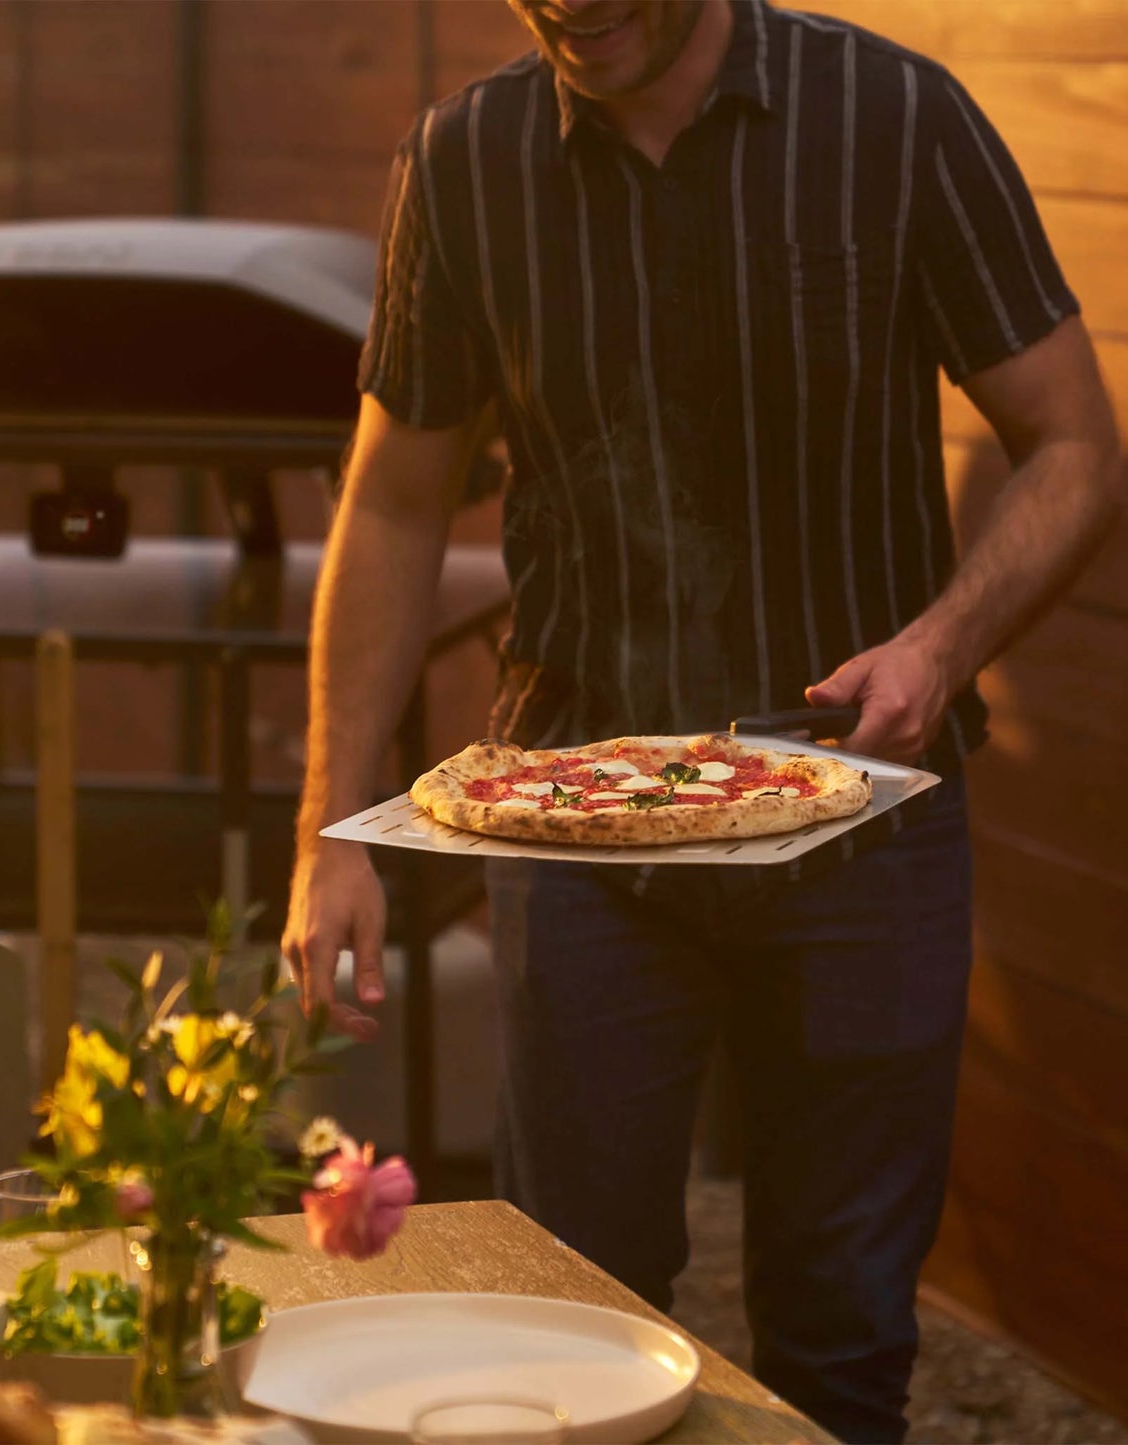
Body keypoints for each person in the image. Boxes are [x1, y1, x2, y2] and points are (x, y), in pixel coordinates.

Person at [281, 2, 1122, 1440]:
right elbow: (394, 501)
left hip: (865, 810)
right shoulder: (466, 159)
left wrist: (940, 644)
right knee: (573, 1312)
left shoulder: (897, 118)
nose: (568, 11)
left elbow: (1071, 444)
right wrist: (328, 832)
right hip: (573, 821)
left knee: (842, 1323)